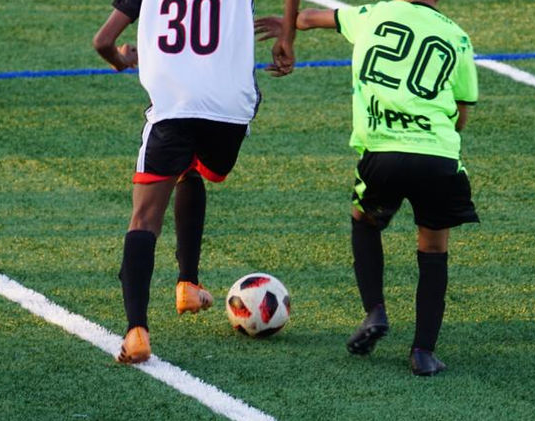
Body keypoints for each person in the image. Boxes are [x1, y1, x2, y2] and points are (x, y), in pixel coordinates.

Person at [257, 0, 479, 376]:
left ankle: (375, 310)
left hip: (383, 154)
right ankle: (423, 352)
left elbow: (309, 17)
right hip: (437, 157)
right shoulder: (458, 38)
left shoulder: (372, 15)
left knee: (365, 221)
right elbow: (461, 115)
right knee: (433, 248)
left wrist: (288, 28)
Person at [93, 0, 261, 364]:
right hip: (231, 112)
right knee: (191, 168)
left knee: (144, 219)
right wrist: (288, 39)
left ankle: (137, 332)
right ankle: (188, 284)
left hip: (175, 109)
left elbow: (103, 41)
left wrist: (121, 59)